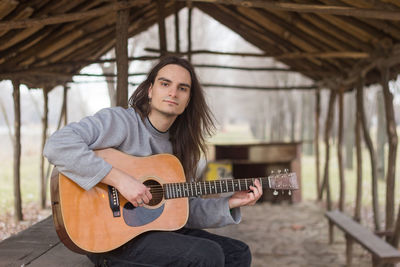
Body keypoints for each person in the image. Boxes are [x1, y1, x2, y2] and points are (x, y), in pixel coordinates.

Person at [44, 56, 263, 266]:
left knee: (237, 253)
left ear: (188, 100)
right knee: (207, 255)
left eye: (182, 88)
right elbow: (57, 145)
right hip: (108, 240)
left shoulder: (183, 149)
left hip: (155, 234)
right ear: (150, 90)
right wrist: (120, 180)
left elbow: (184, 211)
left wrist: (229, 204)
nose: (173, 93)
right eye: (165, 84)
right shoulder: (121, 122)